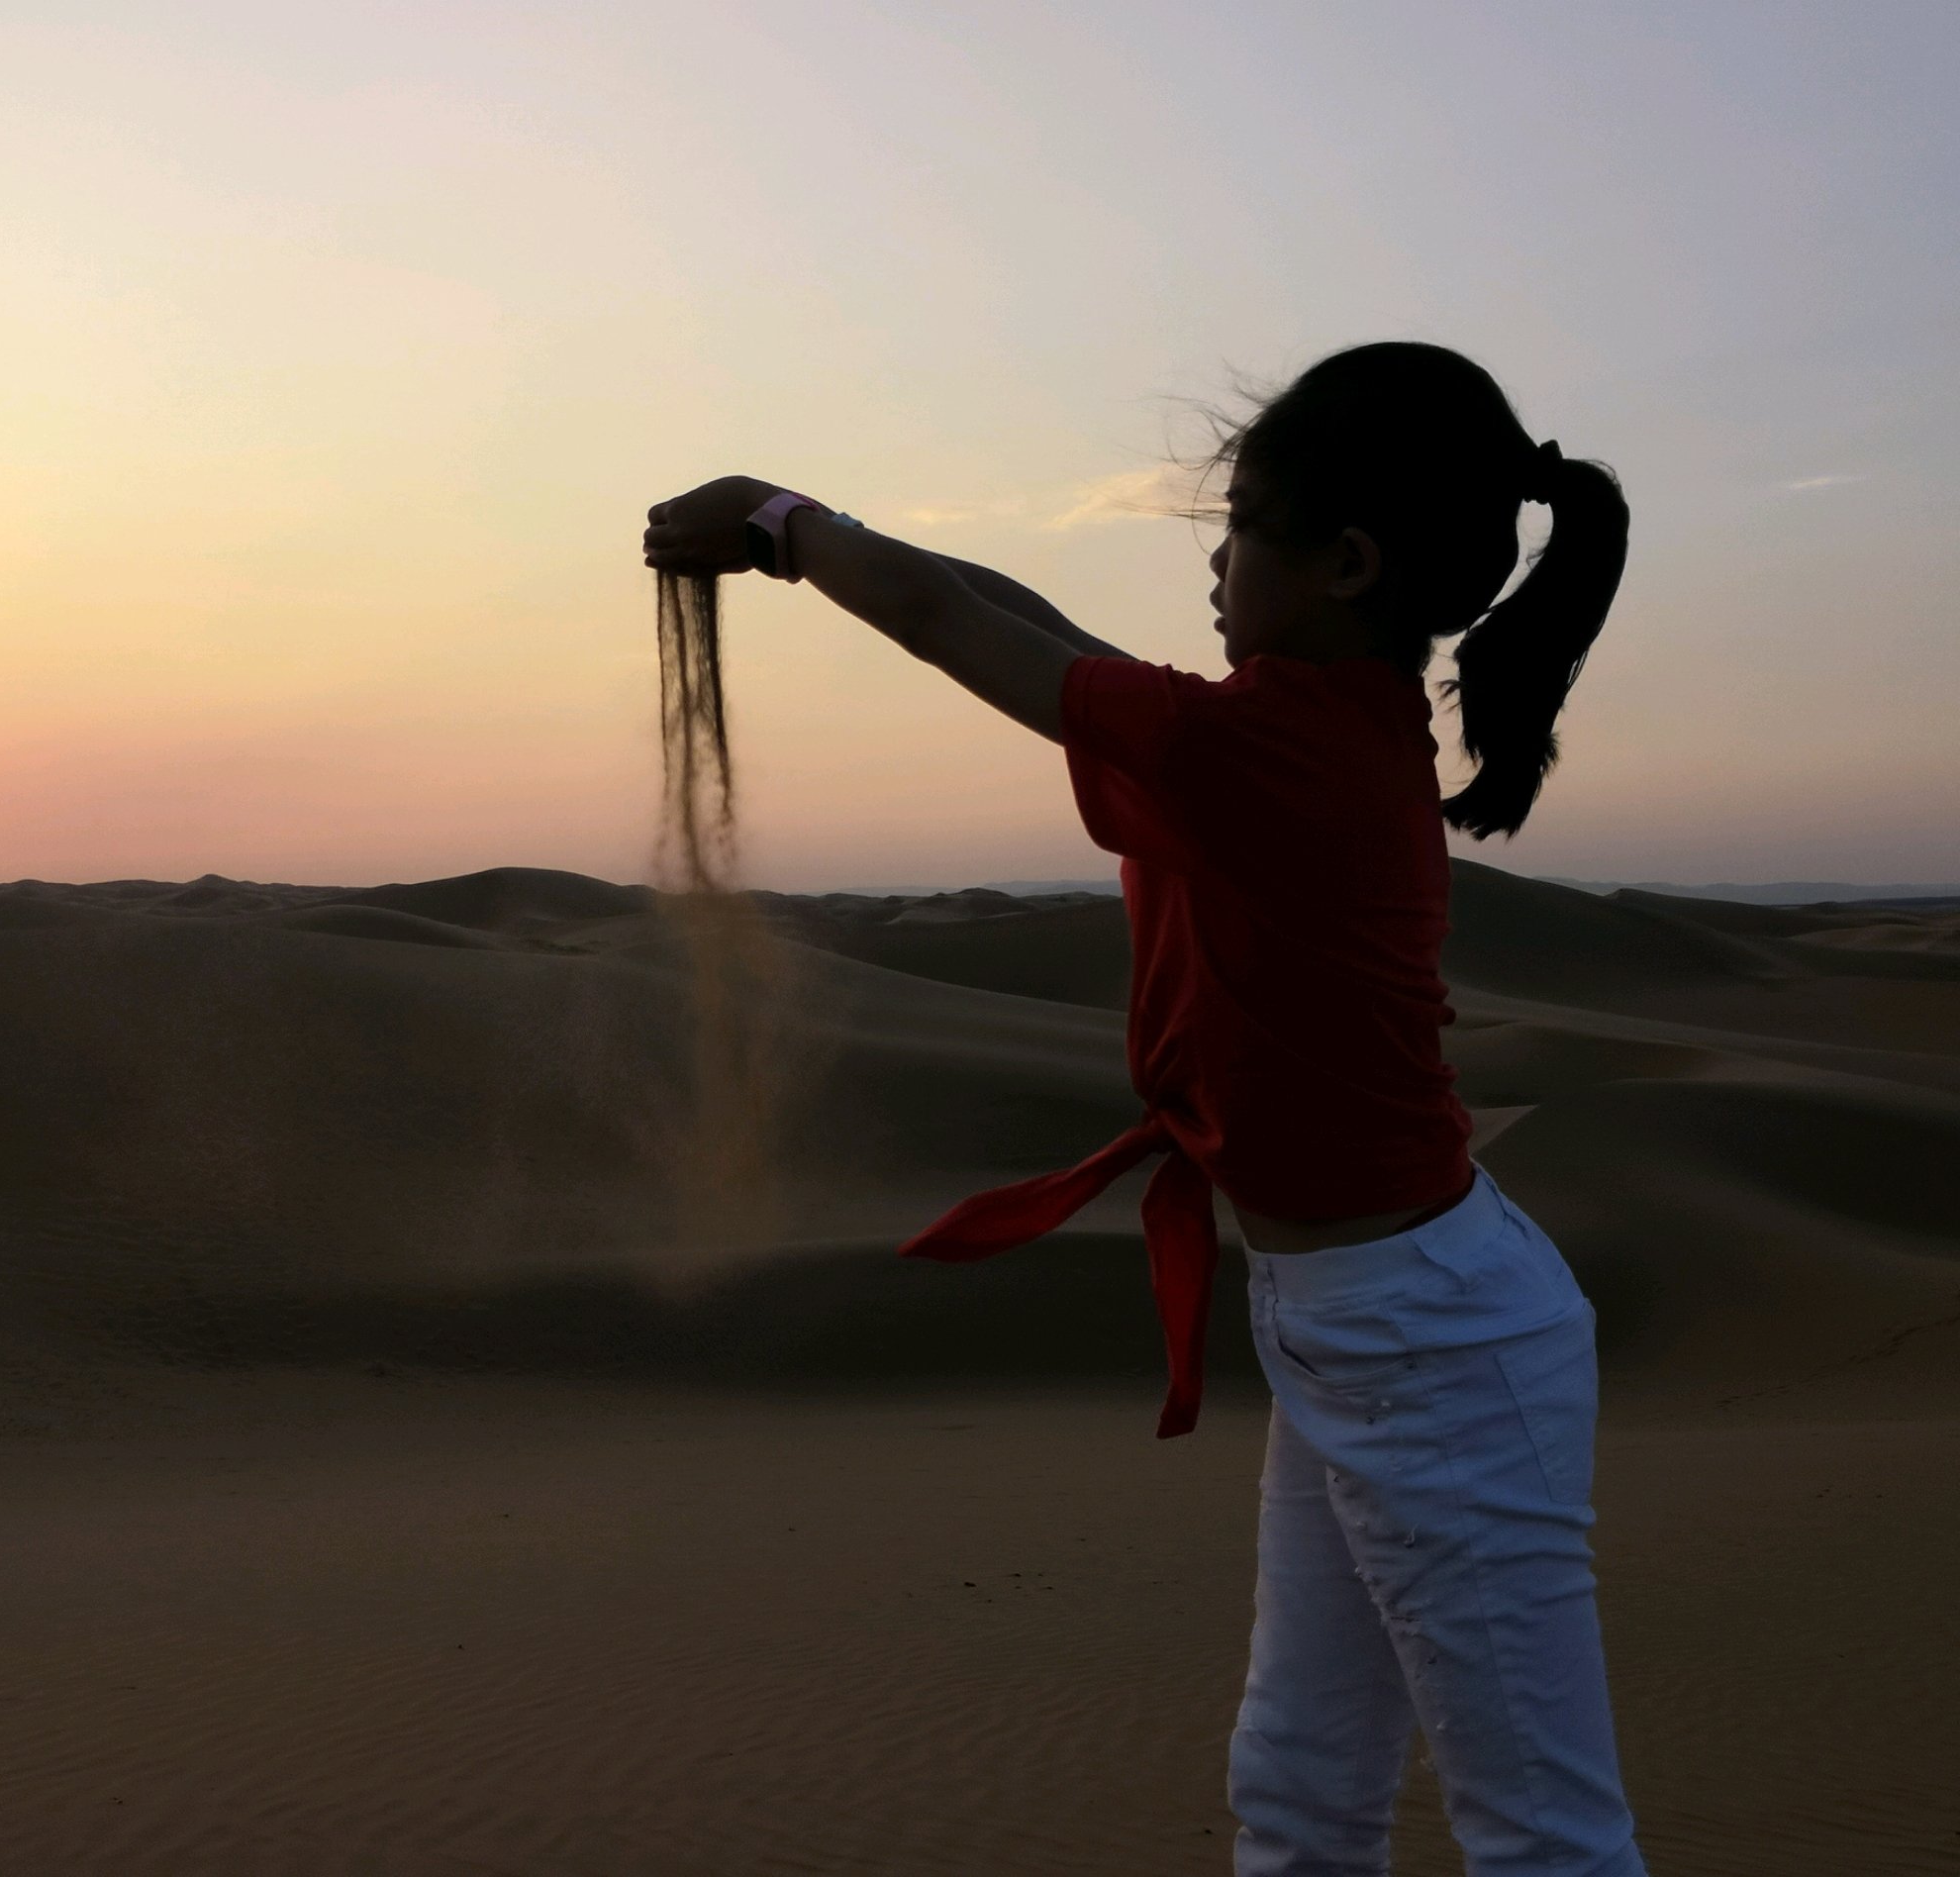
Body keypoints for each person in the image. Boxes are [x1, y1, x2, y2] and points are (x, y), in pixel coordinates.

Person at [641, 341, 1645, 1876]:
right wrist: (817, 525)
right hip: (1369, 1323)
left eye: (1237, 532)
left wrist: (783, 523)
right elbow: (1030, 629)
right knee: (1298, 1785)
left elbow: (952, 628)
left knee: (1542, 1838)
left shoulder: (1260, 751)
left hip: (1431, 1347)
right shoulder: (1298, 724)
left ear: (1346, 564)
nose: (1214, 568)